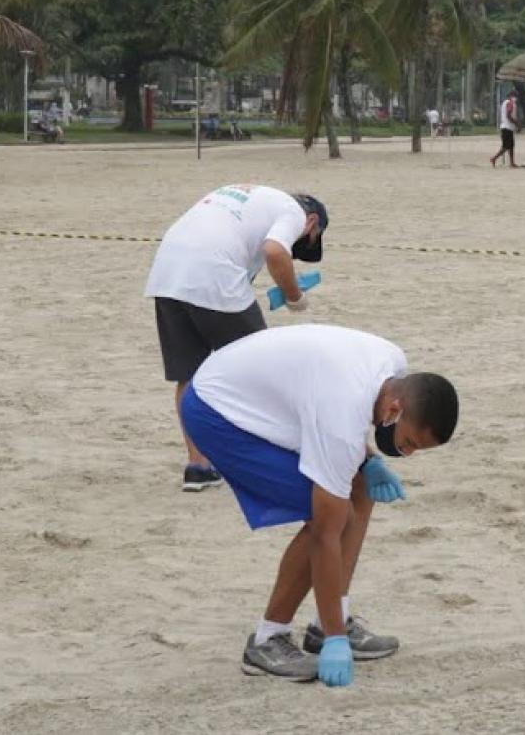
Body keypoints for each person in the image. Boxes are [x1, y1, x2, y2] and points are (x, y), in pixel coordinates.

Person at [179, 323, 458, 686]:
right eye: (409, 442)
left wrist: (368, 460)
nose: (405, 453)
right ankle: (268, 639)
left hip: (260, 392)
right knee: (327, 516)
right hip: (217, 411)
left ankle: (329, 622)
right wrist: (340, 644)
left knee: (360, 488)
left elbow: (343, 414)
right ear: (393, 409)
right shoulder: (342, 414)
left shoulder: (392, 364)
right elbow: (326, 535)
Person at [145, 185, 328, 491]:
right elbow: (274, 251)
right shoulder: (293, 212)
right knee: (262, 372)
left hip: (167, 272)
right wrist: (294, 296)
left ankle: (198, 467)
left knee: (189, 373)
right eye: (304, 240)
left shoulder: (246, 196)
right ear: (311, 223)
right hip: (213, 273)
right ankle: (269, 460)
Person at [491, 90, 519, 167]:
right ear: (511, 96)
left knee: (511, 146)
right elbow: (508, 115)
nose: (516, 98)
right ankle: (494, 158)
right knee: (506, 146)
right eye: (515, 96)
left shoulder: (504, 103)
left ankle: (512, 162)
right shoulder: (510, 103)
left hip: (507, 127)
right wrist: (516, 123)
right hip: (507, 127)